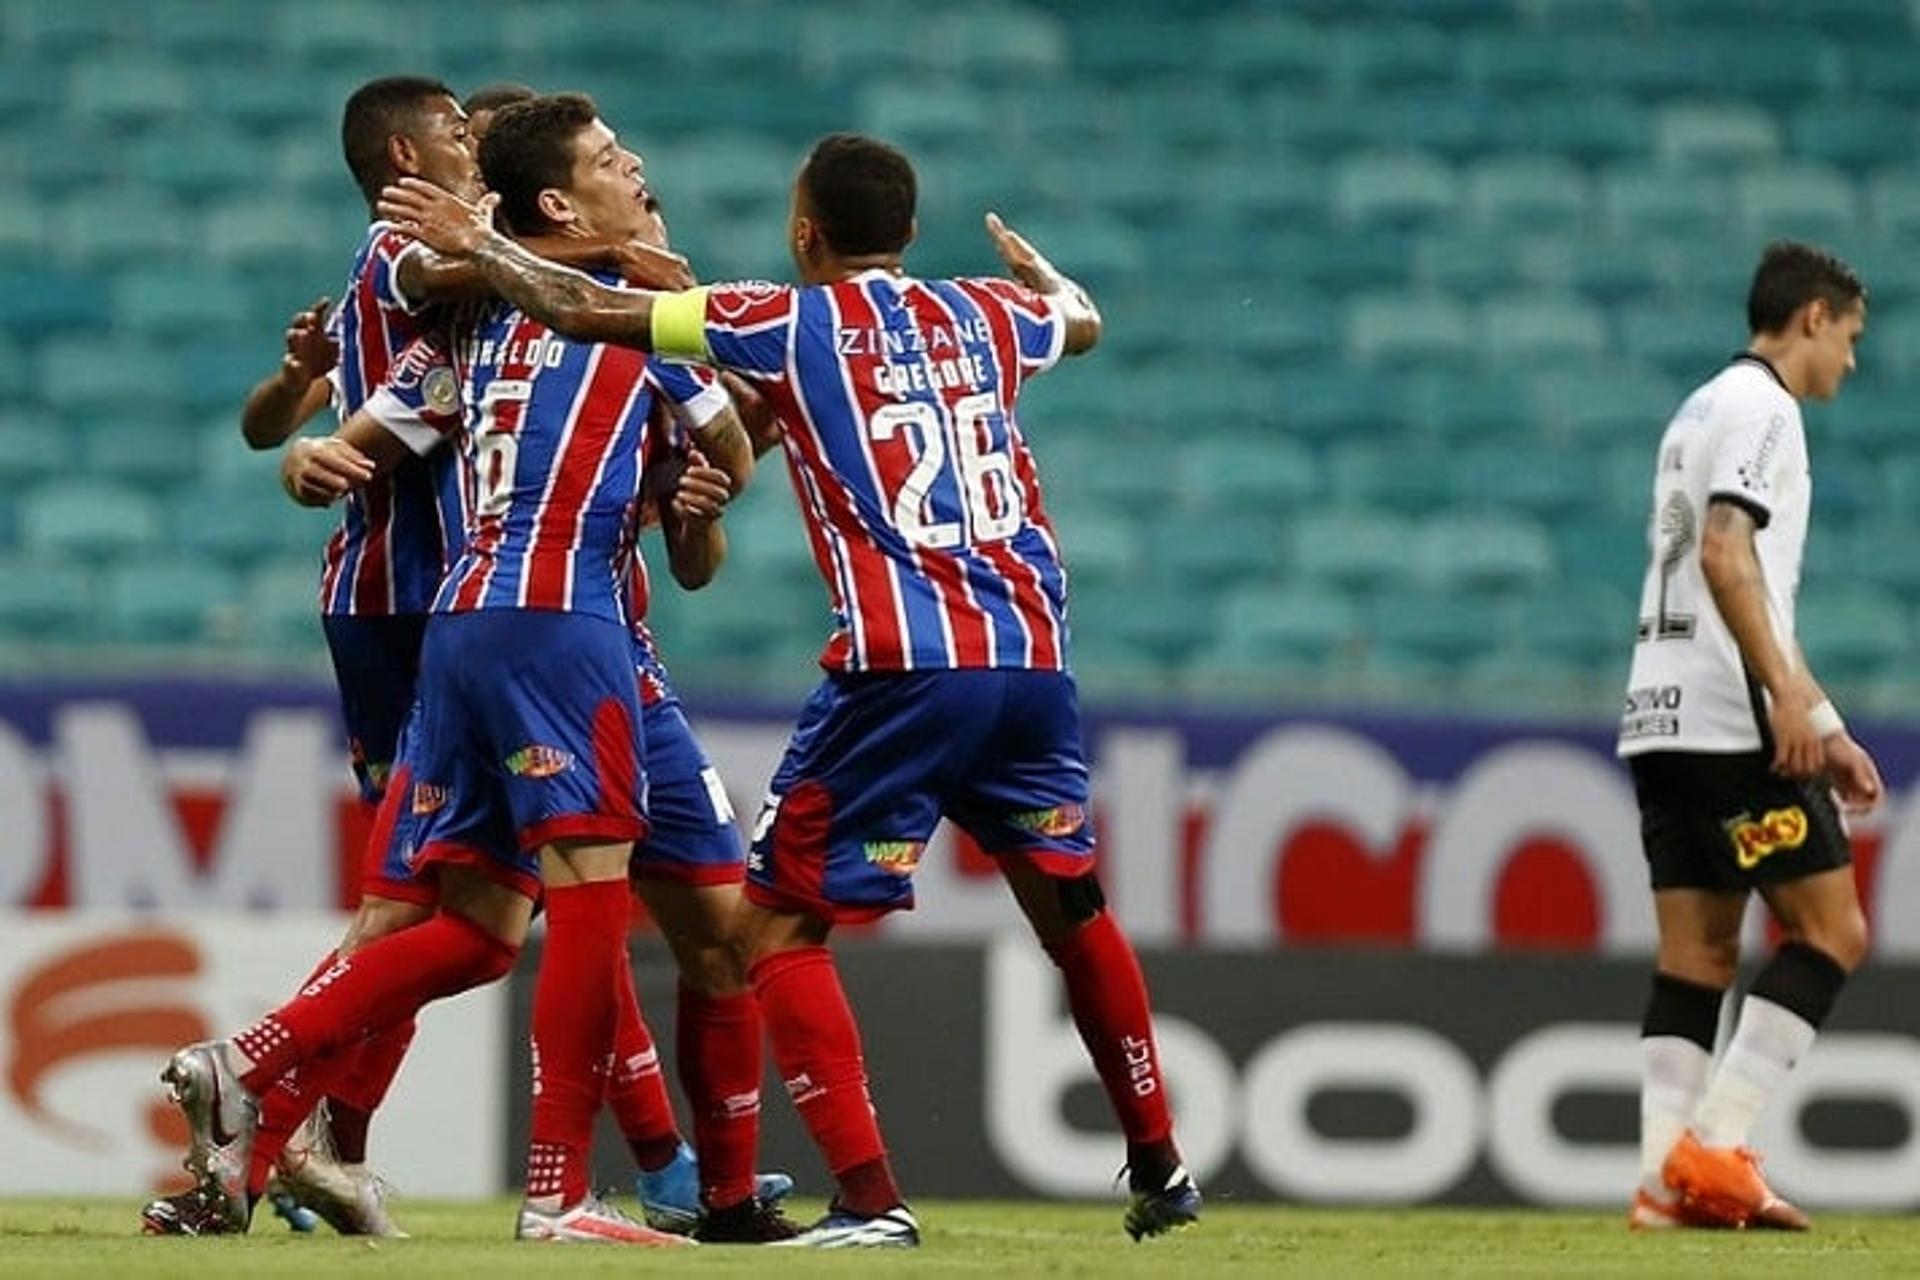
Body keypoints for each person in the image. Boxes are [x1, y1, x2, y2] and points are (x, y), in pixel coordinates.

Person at [379, 131, 1201, 1247]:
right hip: (1034, 662)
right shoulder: (986, 314)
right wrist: (1042, 271)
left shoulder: (780, 317)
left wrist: (480, 242)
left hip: (901, 671)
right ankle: (1159, 1160)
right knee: (1072, 907)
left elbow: (584, 316)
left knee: (763, 936)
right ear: (908, 234)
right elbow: (1085, 316)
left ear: (805, 233)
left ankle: (869, 1201)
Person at [162, 95, 755, 1247]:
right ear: (557, 199)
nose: (635, 168)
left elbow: (375, 431)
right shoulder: (626, 312)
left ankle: (246, 1065)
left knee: (480, 922)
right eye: (609, 159)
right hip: (556, 620)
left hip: (470, 627)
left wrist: (314, 454)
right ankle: (558, 1193)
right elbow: (730, 439)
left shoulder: (476, 333)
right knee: (585, 898)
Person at [1617, 240, 1881, 1231]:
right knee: (1833, 928)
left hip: (1658, 708)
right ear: (1811, 316)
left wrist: (1822, 713)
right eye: (1849, 336)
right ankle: (1717, 1144)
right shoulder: (1766, 409)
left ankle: (1658, 1180)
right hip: (1730, 715)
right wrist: (1786, 700)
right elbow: (1730, 555)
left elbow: (1723, 567)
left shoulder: (1699, 406)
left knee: (1698, 953)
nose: (1851, 361)